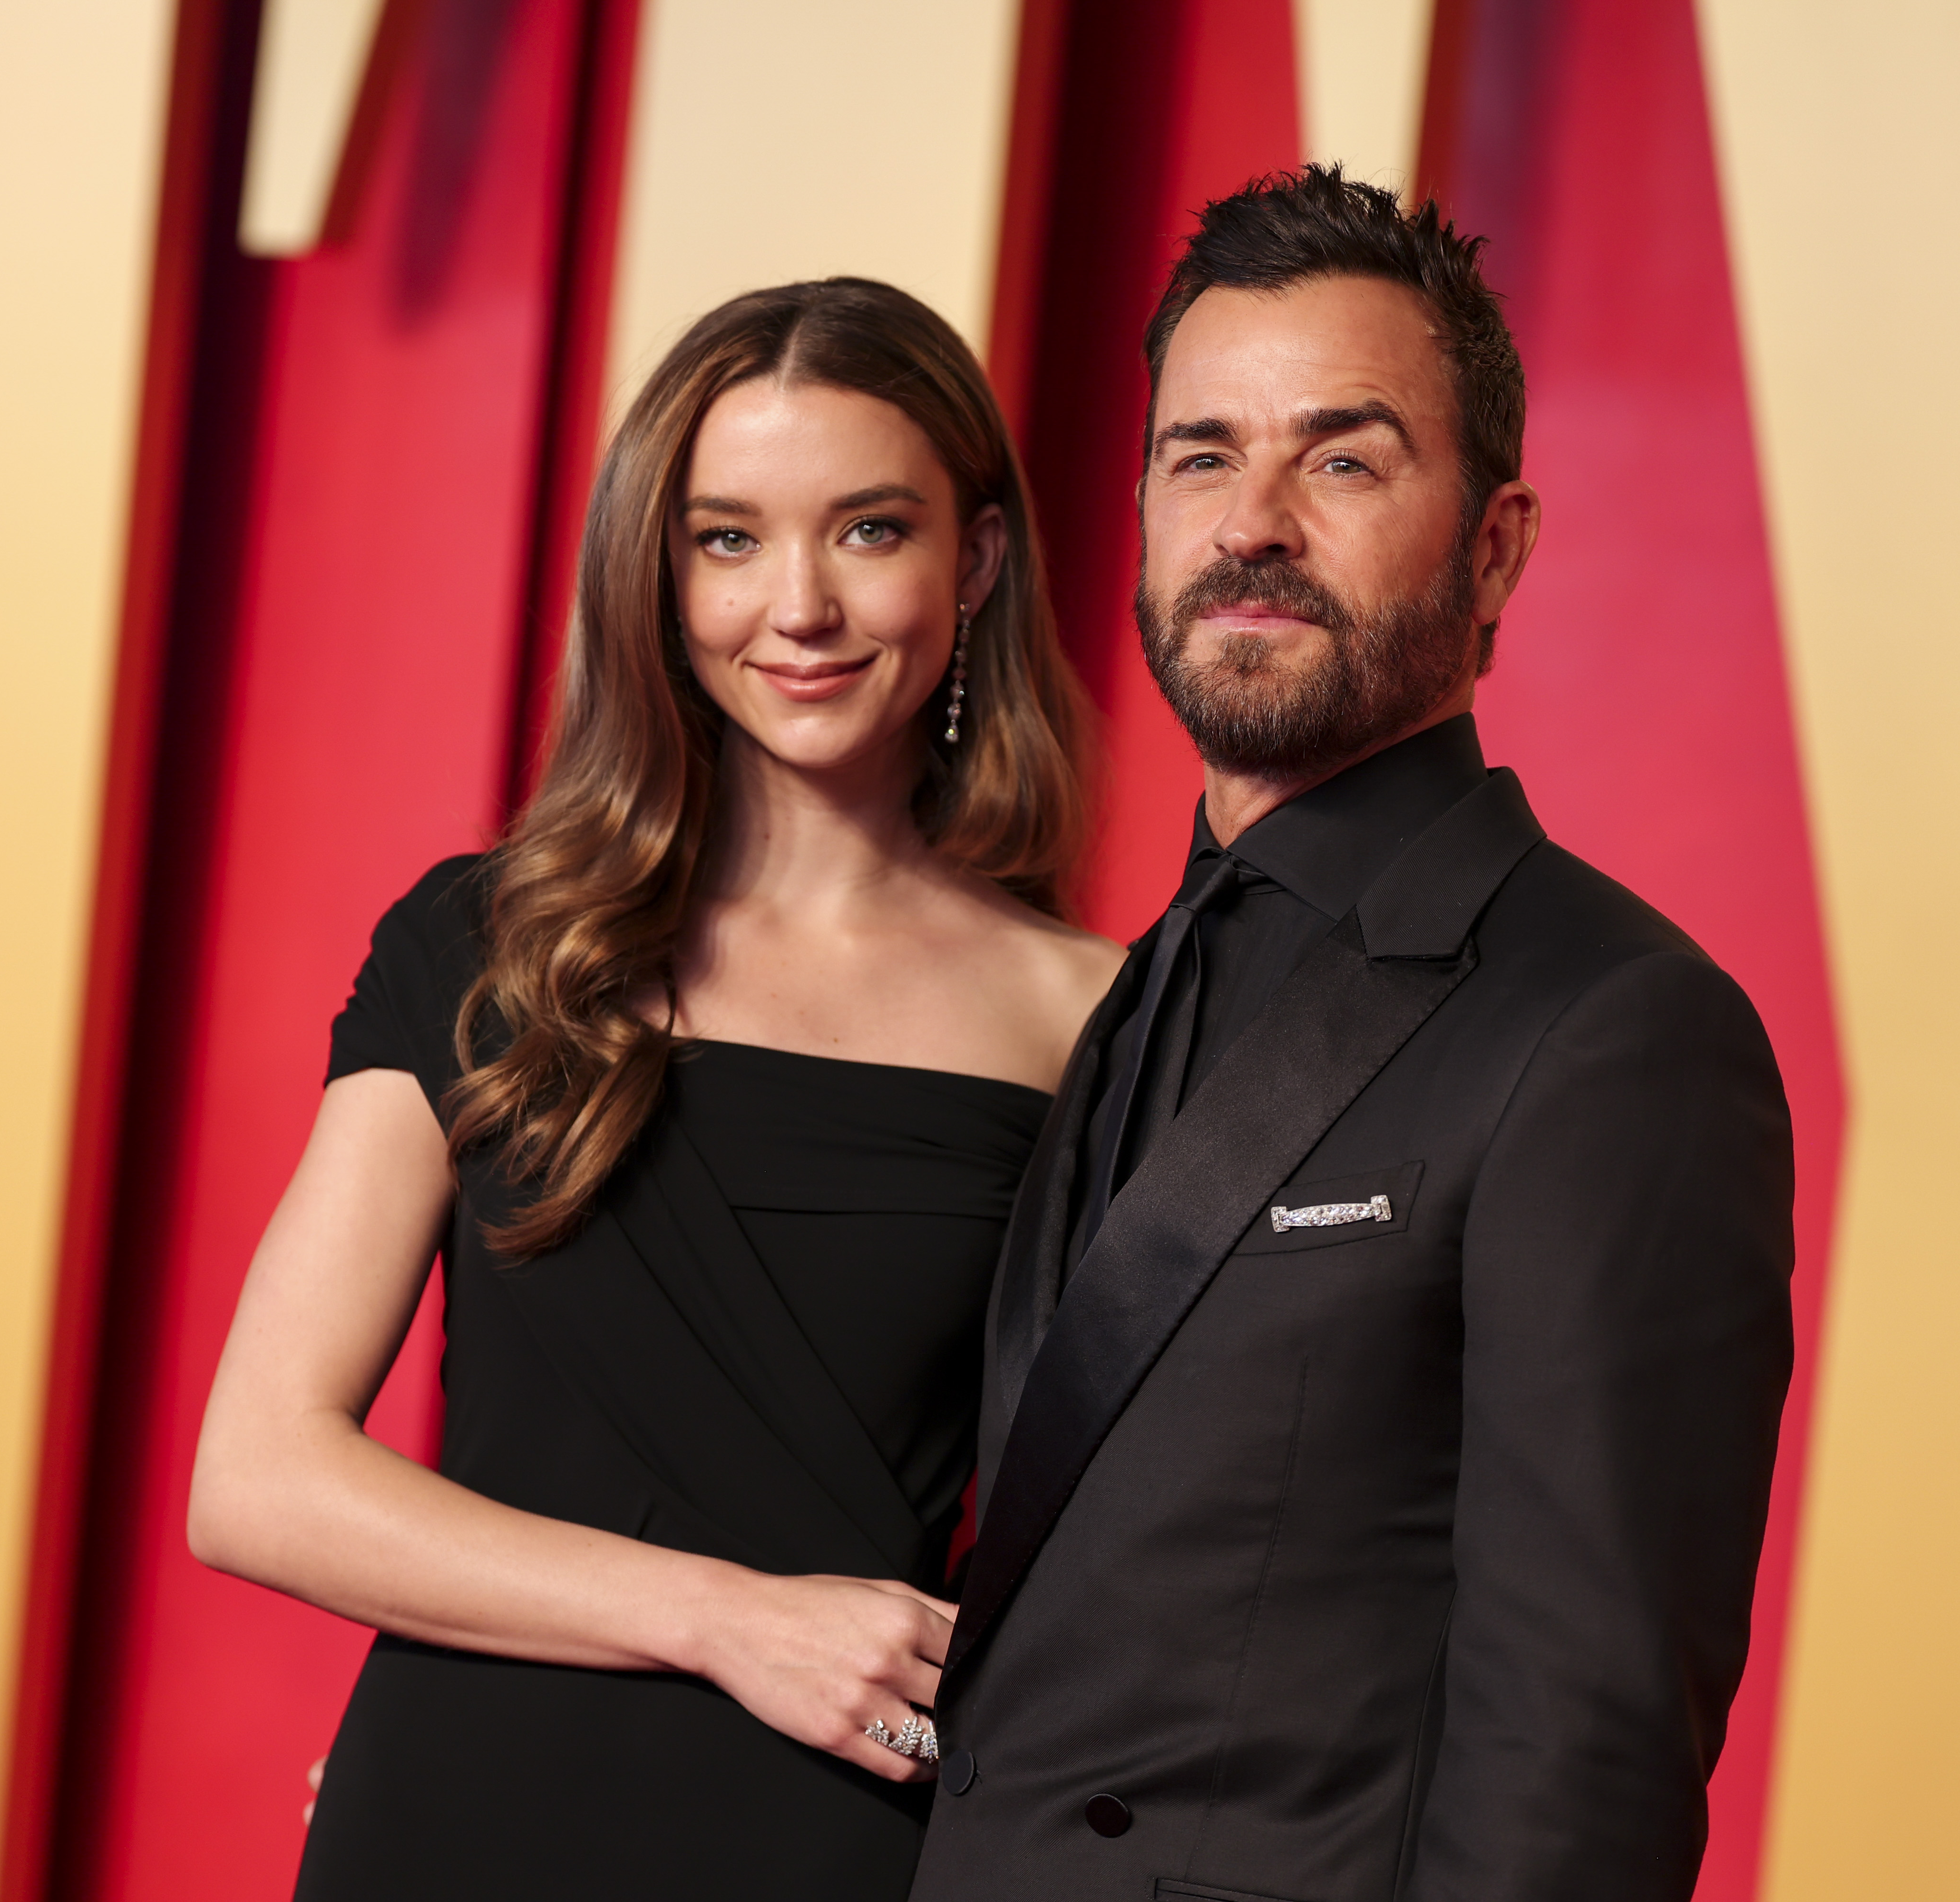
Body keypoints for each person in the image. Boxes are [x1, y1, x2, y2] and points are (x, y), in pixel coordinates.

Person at [909, 168, 1794, 1902]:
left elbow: (1585, 1754)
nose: (1254, 520)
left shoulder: (1615, 1029)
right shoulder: (1112, 987)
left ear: (1496, 547)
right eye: (1202, 455)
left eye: (1343, 458)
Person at [187, 278, 1121, 1902]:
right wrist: (729, 1619)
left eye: (872, 531)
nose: (802, 607)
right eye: (730, 538)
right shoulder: (488, 943)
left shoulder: (1092, 1016)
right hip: (453, 1815)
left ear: (973, 561)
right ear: (659, 574)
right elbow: (259, 1476)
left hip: (837, 1839)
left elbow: (1131, 1536)